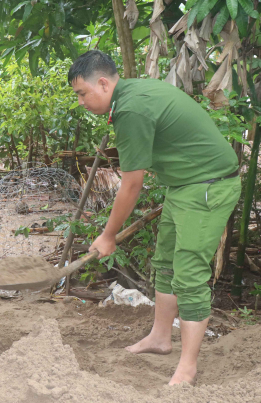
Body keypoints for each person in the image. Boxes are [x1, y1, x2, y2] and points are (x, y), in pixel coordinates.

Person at [68, 50, 240, 386]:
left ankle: (187, 367)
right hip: (184, 184)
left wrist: (108, 235)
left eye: (82, 93)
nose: (81, 101)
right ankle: (161, 339)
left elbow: (131, 185)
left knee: (188, 275)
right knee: (165, 264)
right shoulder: (132, 93)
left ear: (102, 83)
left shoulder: (131, 108)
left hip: (208, 186)